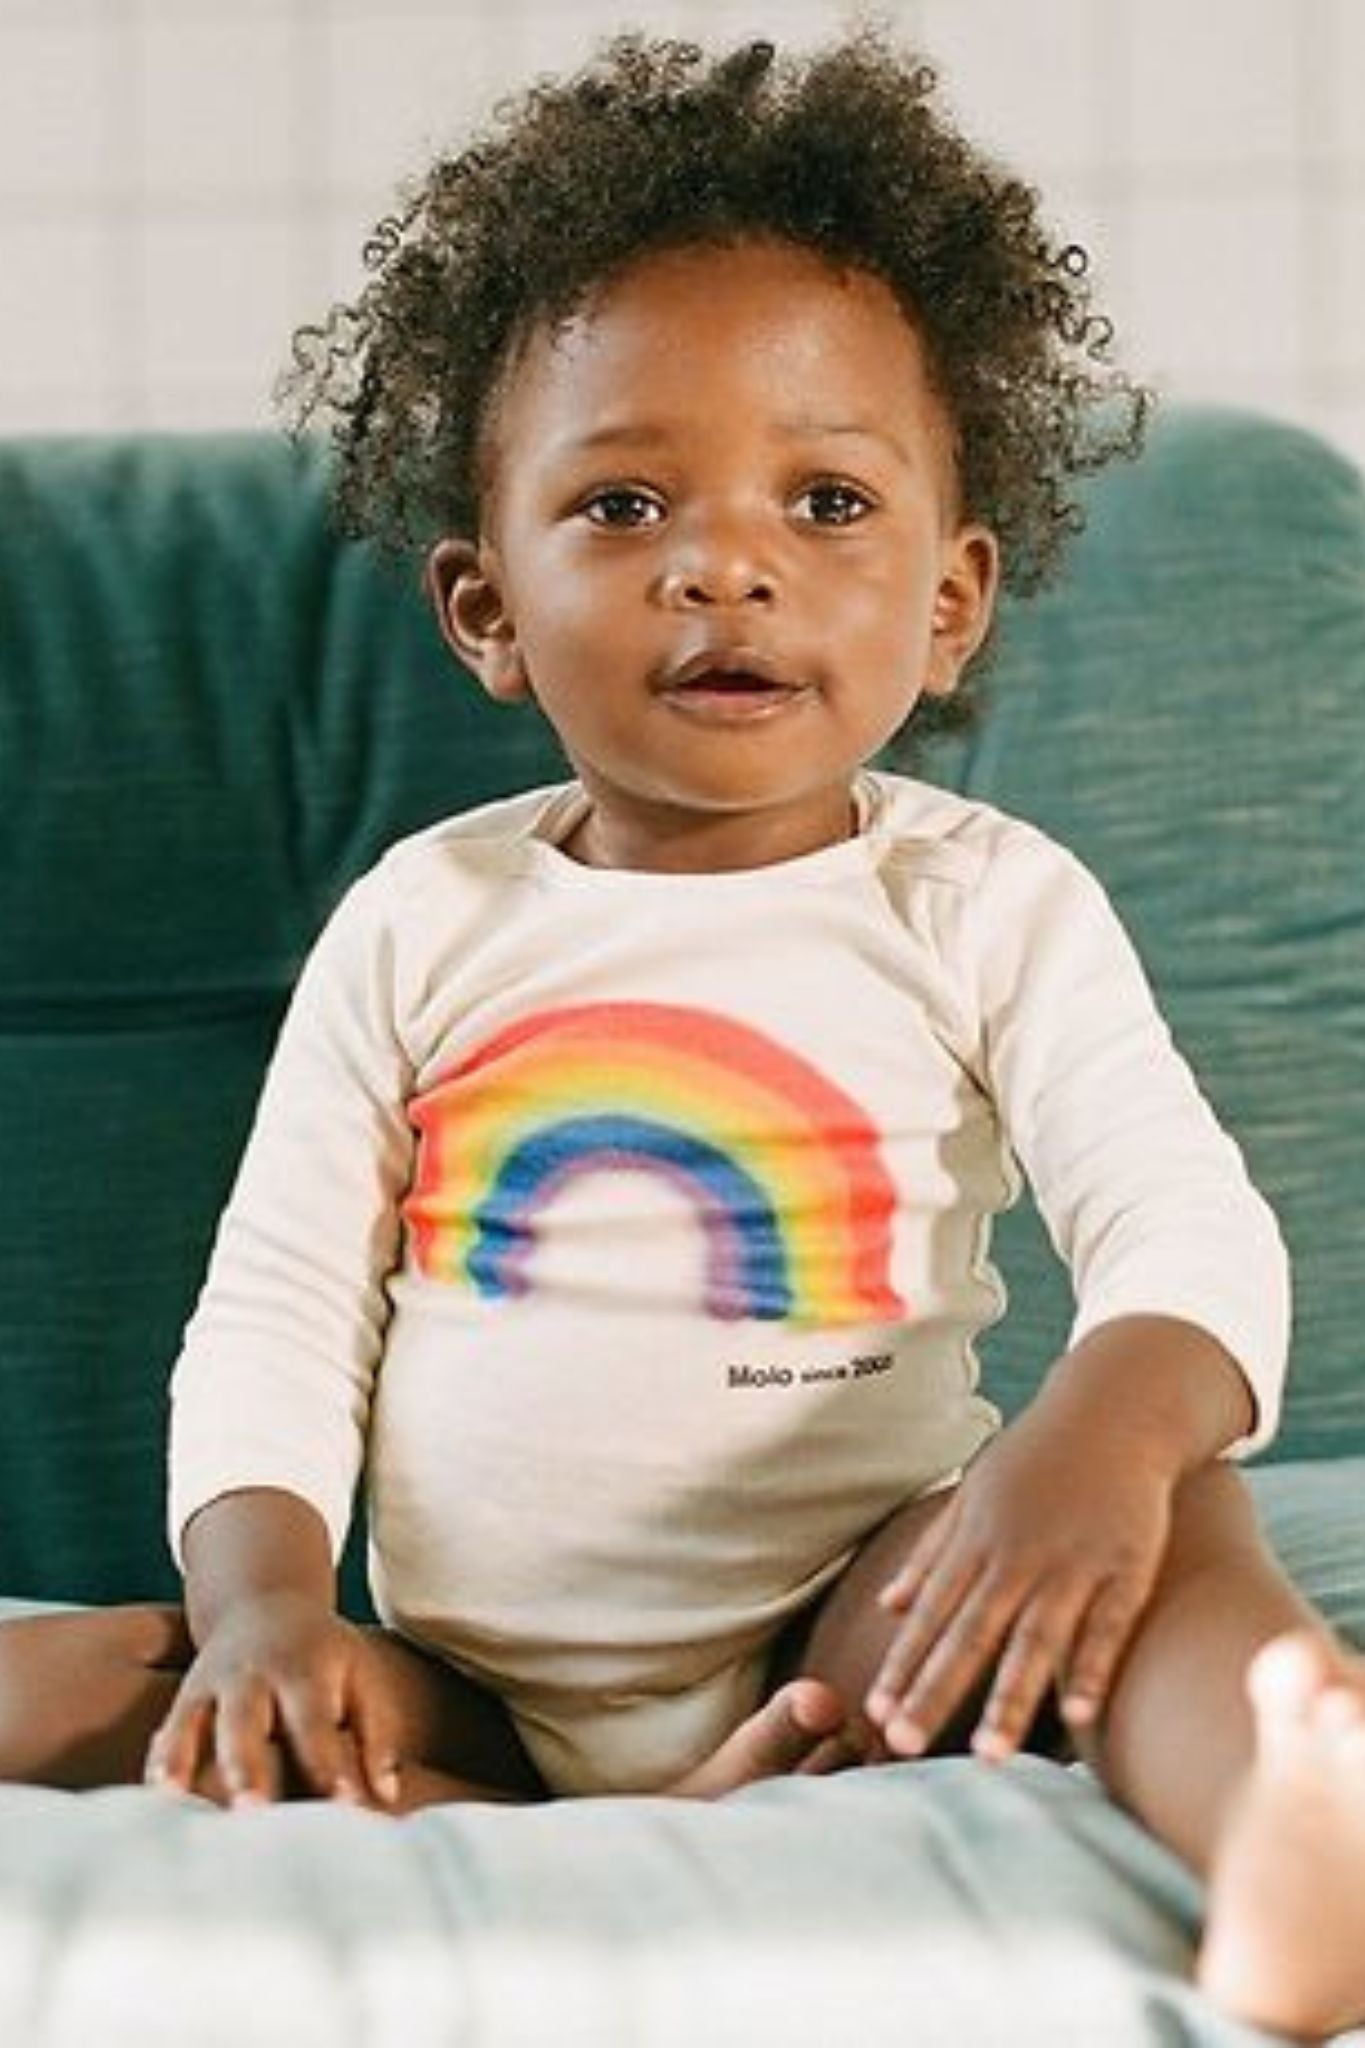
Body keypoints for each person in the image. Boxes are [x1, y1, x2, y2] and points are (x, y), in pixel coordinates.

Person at [0, 31, 1362, 2039]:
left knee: (1168, 1520)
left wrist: (1097, 1438)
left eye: (826, 500)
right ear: (485, 606)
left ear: (950, 600)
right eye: (625, 502)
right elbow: (277, 1310)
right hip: (469, 1671)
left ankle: (1285, 1809)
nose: (726, 563)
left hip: (860, 1627)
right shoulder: (426, 922)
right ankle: (487, 1793)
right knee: (89, 1681)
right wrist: (266, 1603)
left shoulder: (983, 903)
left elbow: (1186, 1226)